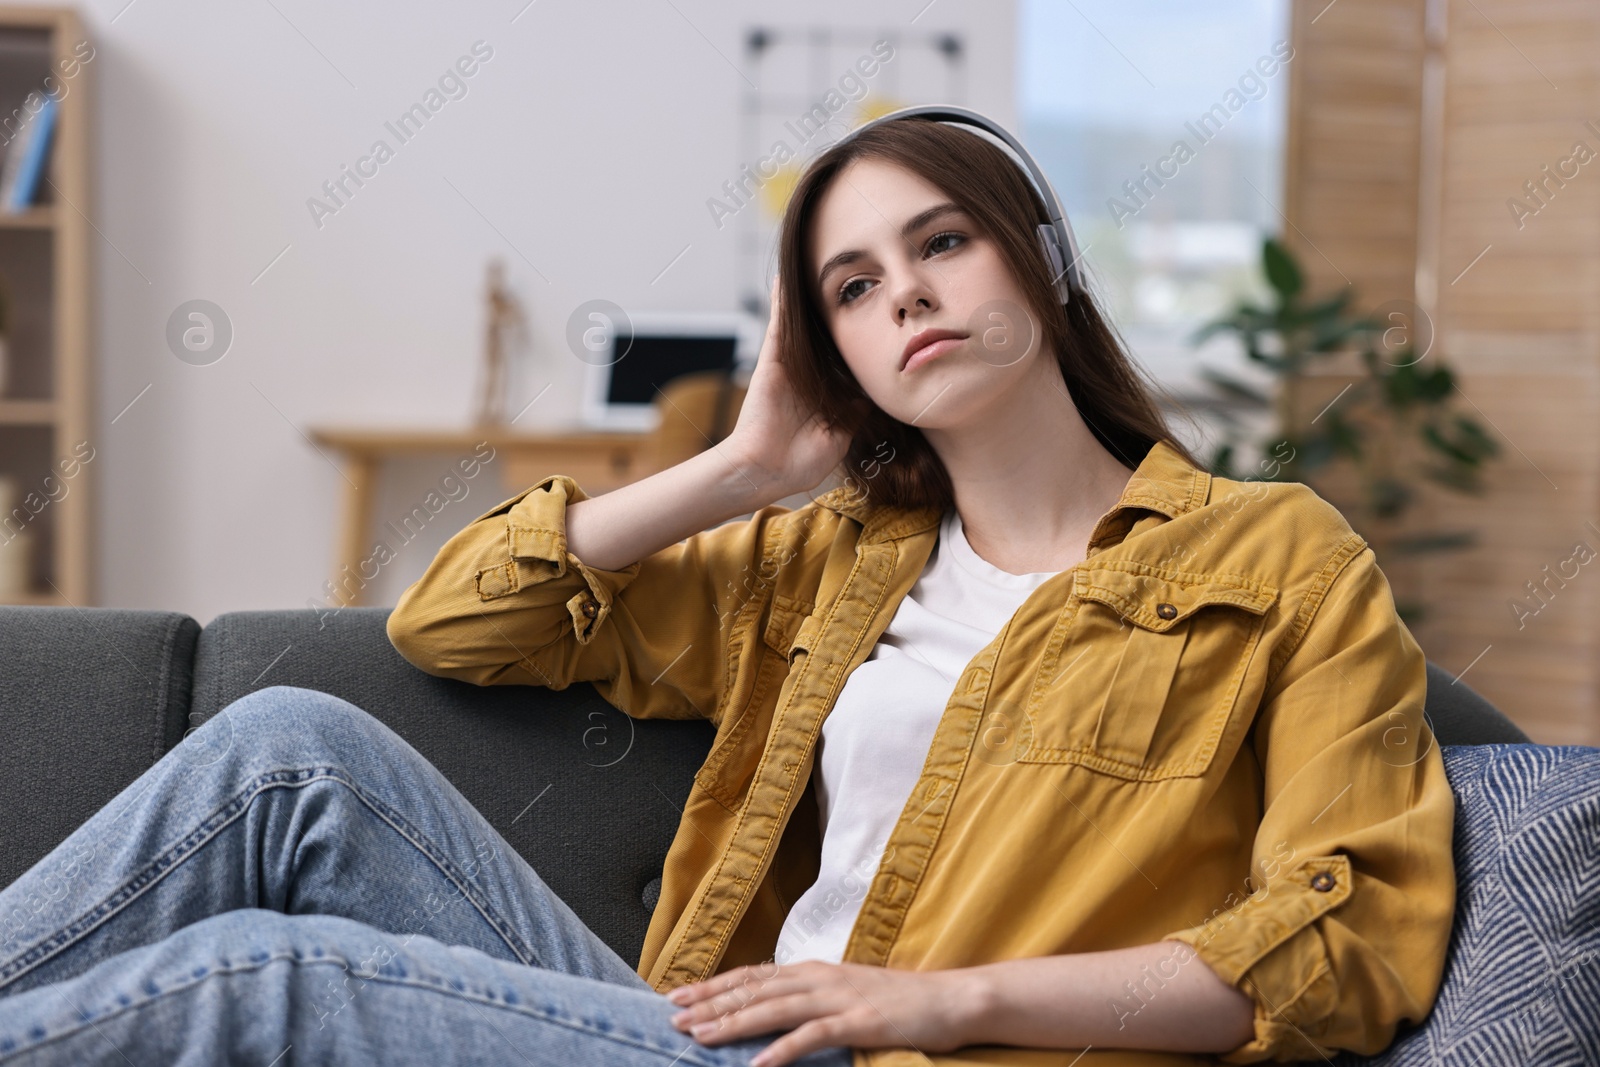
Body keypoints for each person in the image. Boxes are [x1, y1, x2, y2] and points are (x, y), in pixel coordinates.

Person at [0, 113, 1455, 1067]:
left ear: (1045, 259)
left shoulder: (1276, 560)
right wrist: (746, 467)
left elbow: (1351, 944)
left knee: (271, 981)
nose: (908, 296)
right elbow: (453, 621)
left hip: (918, 1057)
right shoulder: (822, 559)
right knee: (289, 756)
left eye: (941, 242)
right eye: (853, 287)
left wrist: (940, 1001)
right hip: (707, 1041)